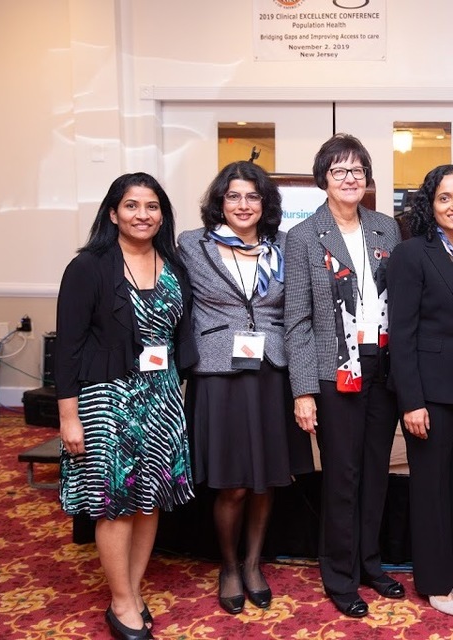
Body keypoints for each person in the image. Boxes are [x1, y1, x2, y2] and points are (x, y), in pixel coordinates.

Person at [55, 173, 198, 640]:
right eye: (132, 205)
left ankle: (133, 591)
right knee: (115, 503)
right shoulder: (88, 267)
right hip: (107, 400)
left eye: (152, 206)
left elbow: (178, 337)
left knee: (148, 499)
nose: (143, 215)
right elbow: (68, 349)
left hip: (161, 398)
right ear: (113, 213)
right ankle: (120, 601)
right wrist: (68, 417)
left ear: (163, 214)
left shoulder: (173, 264)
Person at [178, 161, 314, 615]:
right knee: (232, 484)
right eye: (233, 196)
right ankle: (229, 565)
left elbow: (297, 311)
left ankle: (254, 563)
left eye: (252, 196)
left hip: (271, 372)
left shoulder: (284, 247)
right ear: (220, 201)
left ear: (264, 203)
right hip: (219, 374)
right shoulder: (192, 245)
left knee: (265, 480)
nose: (243, 205)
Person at [284, 133, 403, 618]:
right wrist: (303, 392)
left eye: (357, 170)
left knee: (376, 472)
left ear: (367, 178)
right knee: (342, 476)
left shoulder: (386, 228)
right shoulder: (303, 237)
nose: (350, 178)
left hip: (382, 366)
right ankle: (339, 575)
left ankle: (370, 563)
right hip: (334, 371)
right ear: (324, 179)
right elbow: (296, 321)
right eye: (339, 171)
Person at [386, 165, 453, 616]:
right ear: (430, 205)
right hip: (427, 393)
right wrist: (410, 401)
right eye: (445, 197)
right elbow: (401, 333)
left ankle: (448, 570)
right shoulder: (411, 254)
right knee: (430, 487)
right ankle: (432, 581)